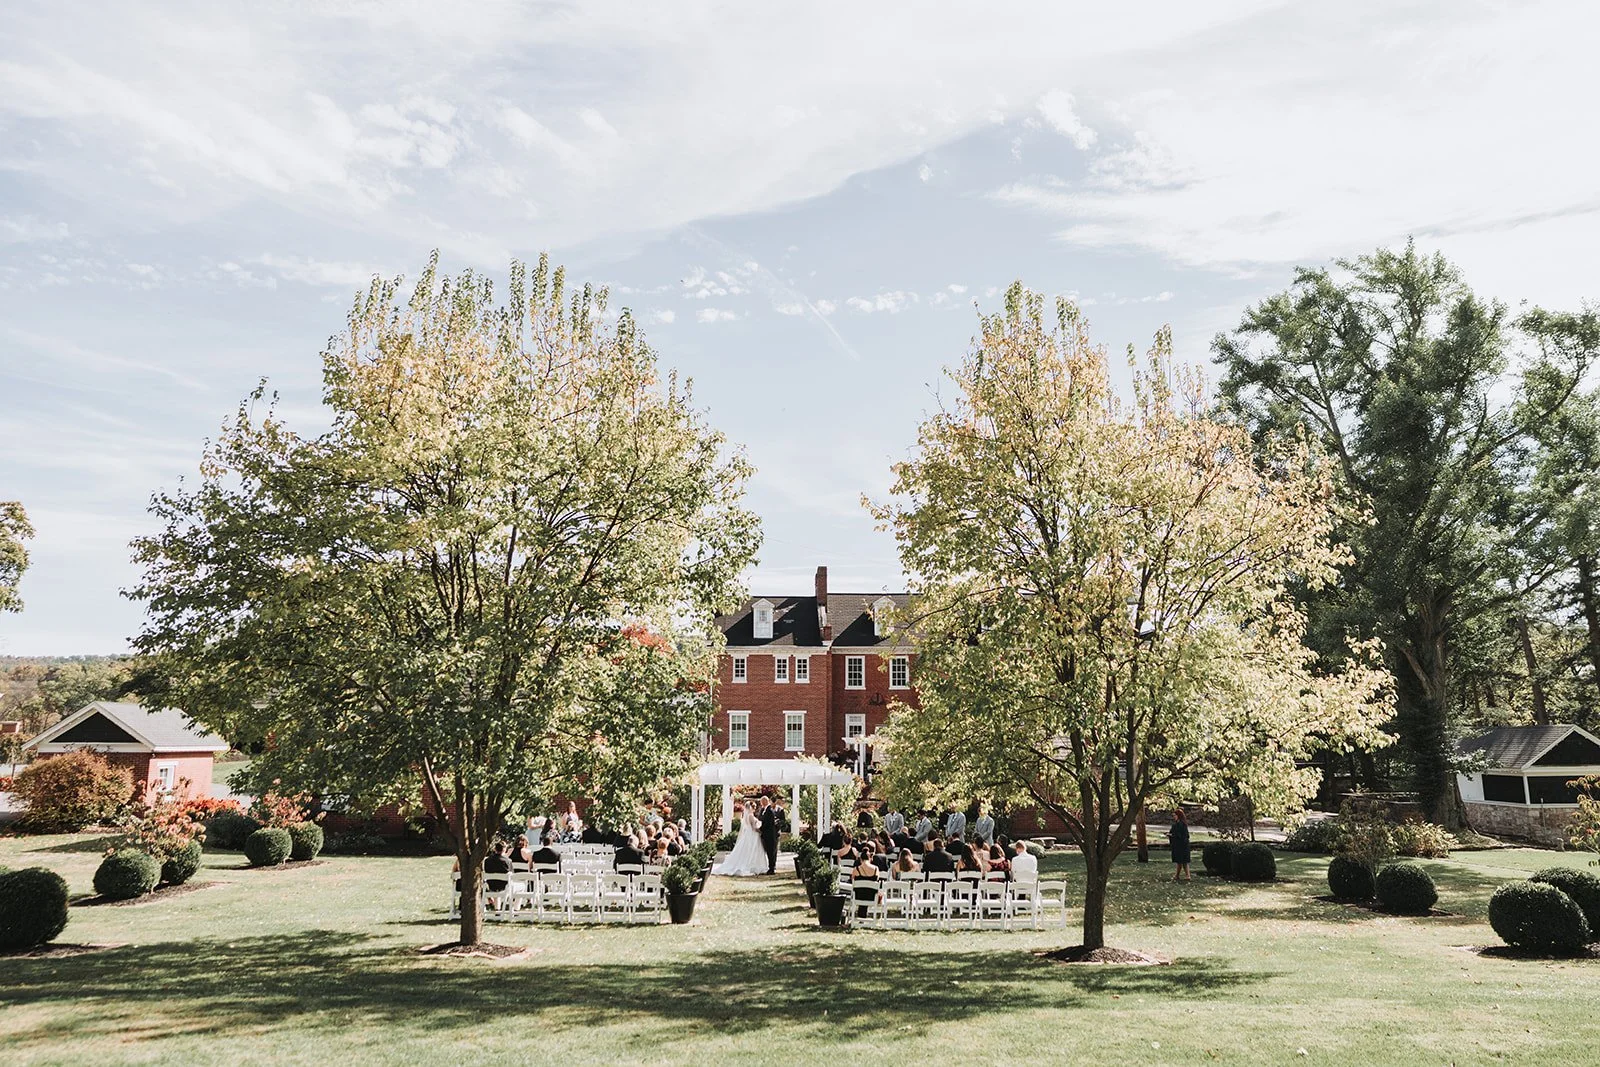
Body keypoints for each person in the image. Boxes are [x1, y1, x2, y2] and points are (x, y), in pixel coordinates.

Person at [715, 802, 769, 876]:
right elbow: (754, 828)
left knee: (748, 849)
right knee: (753, 849)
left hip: (748, 834)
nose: (755, 809)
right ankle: (753, 866)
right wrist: (760, 831)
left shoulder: (746, 816)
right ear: (751, 808)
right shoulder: (750, 816)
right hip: (753, 834)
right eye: (754, 807)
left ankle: (752, 865)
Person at [761, 794, 785, 875]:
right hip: (768, 833)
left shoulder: (777, 810)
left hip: (774, 833)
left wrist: (777, 823)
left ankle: (772, 867)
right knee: (769, 850)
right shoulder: (764, 810)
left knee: (773, 850)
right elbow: (761, 819)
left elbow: (782, 821)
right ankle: (771, 866)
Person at [483, 841, 513, 906]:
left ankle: (497, 909)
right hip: (504, 886)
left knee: (496, 884)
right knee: (520, 886)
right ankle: (516, 908)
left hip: (491, 885)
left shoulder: (487, 860)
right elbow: (512, 874)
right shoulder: (508, 861)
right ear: (504, 849)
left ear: (495, 849)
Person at [1168, 807, 1192, 882]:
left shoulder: (1181, 825)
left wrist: (1172, 835)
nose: (1174, 817)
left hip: (1181, 845)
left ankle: (1182, 876)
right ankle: (1182, 875)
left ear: (1178, 816)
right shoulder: (1178, 824)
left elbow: (1181, 835)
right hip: (1181, 845)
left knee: (1182, 861)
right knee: (1181, 861)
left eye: (1175, 815)